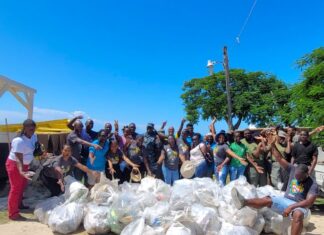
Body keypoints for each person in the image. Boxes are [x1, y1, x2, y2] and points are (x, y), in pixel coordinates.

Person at [231, 135, 318, 235]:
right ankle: (243, 202)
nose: (297, 179)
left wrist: (292, 207)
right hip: (285, 201)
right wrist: (272, 145)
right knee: (268, 199)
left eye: (300, 178)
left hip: (300, 207)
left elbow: (308, 203)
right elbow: (279, 158)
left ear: (307, 174)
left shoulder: (313, 184)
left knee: (297, 214)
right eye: (296, 177)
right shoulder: (293, 169)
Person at [6, 119, 38, 220]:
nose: (32, 131)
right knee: (15, 189)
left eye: (33, 129)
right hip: (15, 165)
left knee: (22, 186)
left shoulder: (34, 136)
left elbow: (35, 147)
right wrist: (21, 171)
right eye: (30, 129)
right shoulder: (19, 141)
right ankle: (13, 214)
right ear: (24, 128)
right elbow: (18, 159)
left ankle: (19, 205)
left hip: (25, 165)